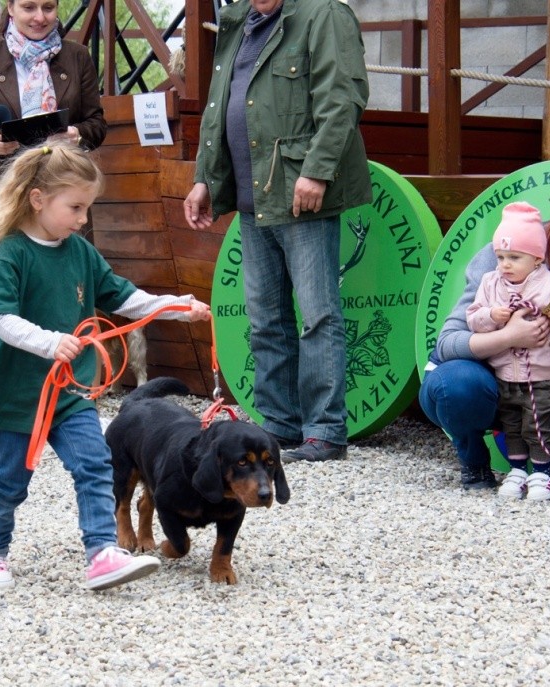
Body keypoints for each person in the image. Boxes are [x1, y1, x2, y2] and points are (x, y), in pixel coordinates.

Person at [0, 141, 212, 591]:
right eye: (75, 207)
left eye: (87, 208)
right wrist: (50, 342)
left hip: (72, 390)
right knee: (11, 479)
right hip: (18, 394)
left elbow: (125, 297)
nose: (83, 219)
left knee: (95, 463)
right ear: (38, 199)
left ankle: (101, 553)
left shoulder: (80, 252)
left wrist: (177, 306)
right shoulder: (9, 254)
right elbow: (1, 320)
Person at [183, 0, 372, 463]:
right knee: (265, 319)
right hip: (254, 199)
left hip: (300, 192)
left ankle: (325, 431)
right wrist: (205, 178)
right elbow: (218, 108)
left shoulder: (324, 13)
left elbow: (342, 98)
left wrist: (318, 170)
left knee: (317, 315)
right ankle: (279, 425)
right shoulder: (237, 22)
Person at [420, 184, 550, 493]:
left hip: (546, 388)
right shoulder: (507, 258)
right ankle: (473, 459)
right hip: (491, 379)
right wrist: (510, 335)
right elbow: (448, 342)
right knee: (456, 384)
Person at [465, 202, 550, 500]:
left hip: (542, 377)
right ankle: (517, 470)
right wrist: (492, 316)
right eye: (501, 257)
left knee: (537, 425)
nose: (505, 264)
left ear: (537, 258)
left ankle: (542, 473)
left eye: (514, 257)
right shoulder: (491, 284)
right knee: (512, 426)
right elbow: (473, 317)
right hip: (505, 375)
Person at [0, 0, 106, 205]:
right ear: (11, 8)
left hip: (64, 183)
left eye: (48, 8)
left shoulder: (78, 56)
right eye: (29, 8)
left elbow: (97, 123)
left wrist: (77, 135)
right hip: (1, 190)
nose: (40, 17)